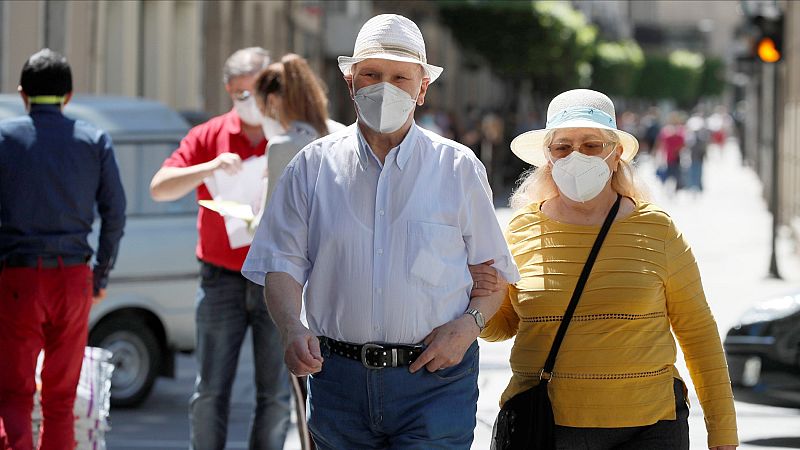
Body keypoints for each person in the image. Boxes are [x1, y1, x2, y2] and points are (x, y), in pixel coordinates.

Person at [242, 14, 520, 449]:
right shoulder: (311, 168)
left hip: (435, 382)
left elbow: (494, 276)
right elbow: (281, 264)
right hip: (338, 384)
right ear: (351, 81)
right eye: (371, 74)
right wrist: (291, 328)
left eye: (399, 77)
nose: (383, 87)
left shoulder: (458, 168)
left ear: (422, 88)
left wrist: (469, 326)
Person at [484, 88, 738, 449]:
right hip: (544, 429)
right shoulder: (520, 229)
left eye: (591, 145)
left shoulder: (658, 230)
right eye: (563, 147)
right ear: (548, 156)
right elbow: (501, 326)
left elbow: (699, 336)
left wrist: (724, 436)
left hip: (650, 431)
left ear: (616, 153)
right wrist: (478, 297)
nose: (576, 157)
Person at [149, 47, 291, 450]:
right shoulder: (208, 136)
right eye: (246, 92)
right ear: (230, 90)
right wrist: (208, 168)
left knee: (276, 396)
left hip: (275, 278)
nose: (257, 101)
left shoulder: (289, 135)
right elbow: (160, 186)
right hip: (220, 280)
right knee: (210, 391)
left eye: (265, 90)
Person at [0, 48, 126, 450]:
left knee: (14, 393)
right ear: (69, 96)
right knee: (60, 396)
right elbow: (115, 213)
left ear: (22, 93)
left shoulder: (4, 139)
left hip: (17, 278)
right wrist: (100, 274)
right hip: (74, 279)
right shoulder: (93, 139)